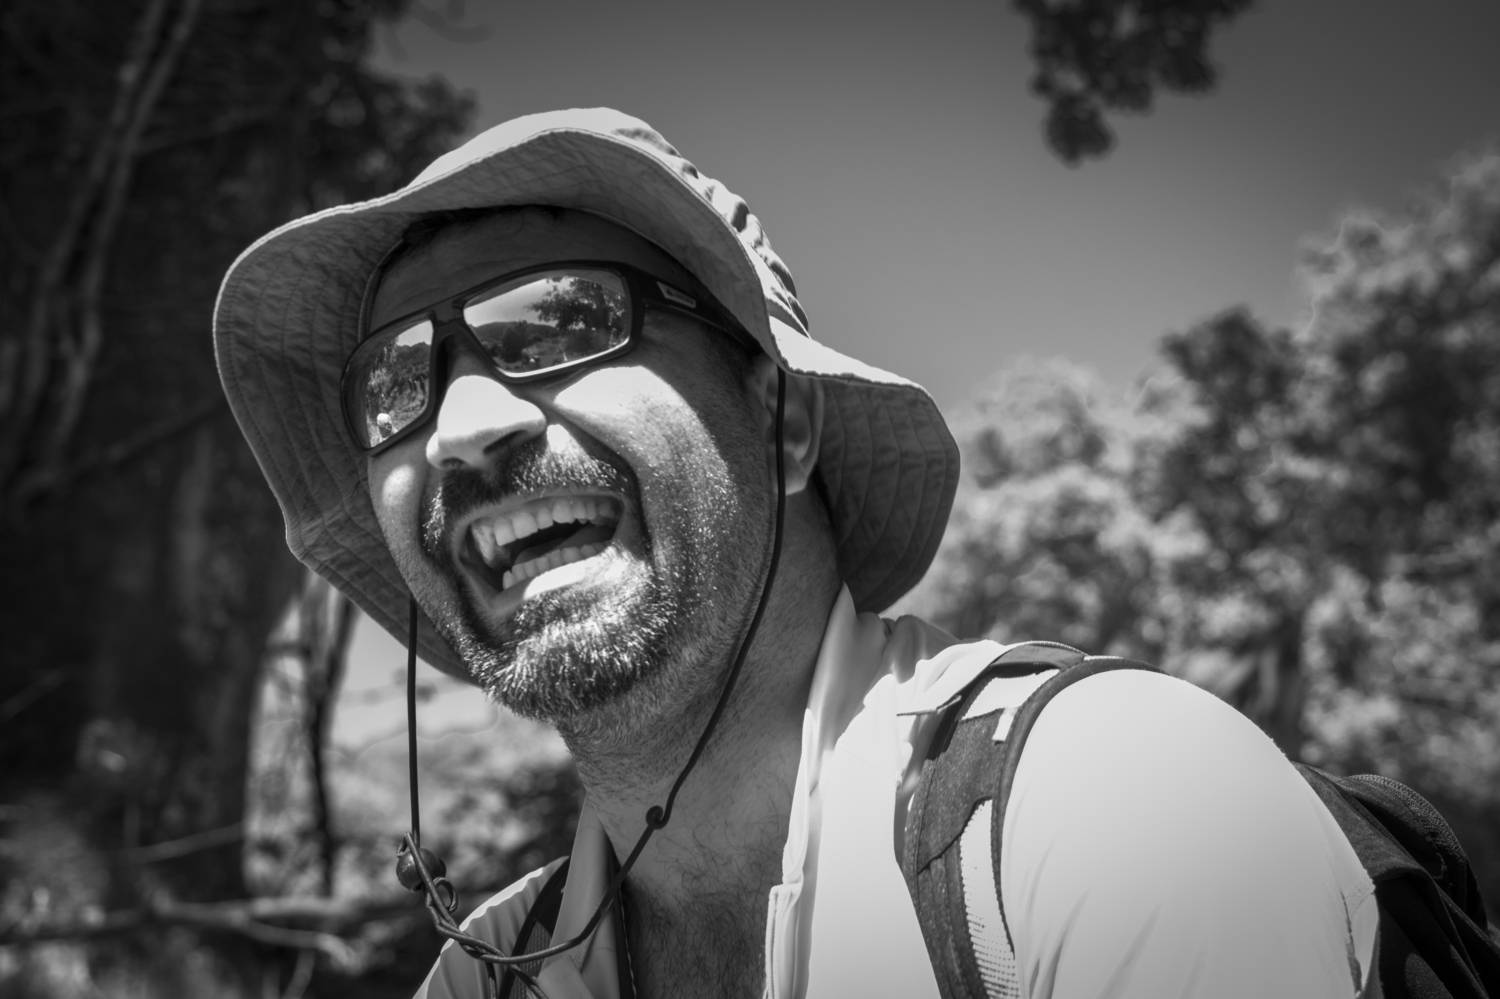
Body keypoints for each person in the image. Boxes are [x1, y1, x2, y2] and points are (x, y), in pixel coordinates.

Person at [214, 108, 1379, 998]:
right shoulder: (488, 975)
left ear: (784, 422)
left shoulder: (1113, 809)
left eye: (559, 319)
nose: (461, 429)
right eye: (395, 385)